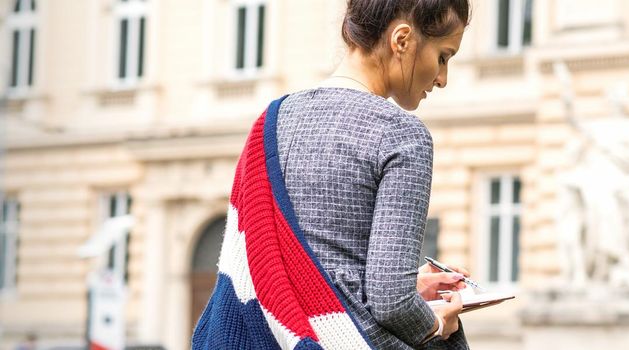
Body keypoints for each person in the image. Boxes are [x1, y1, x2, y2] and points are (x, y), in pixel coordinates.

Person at [194, 1, 473, 349]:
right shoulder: (402, 136)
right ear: (402, 40)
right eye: (443, 56)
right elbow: (392, 302)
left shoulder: (271, 122)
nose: (443, 78)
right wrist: (435, 324)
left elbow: (293, 271)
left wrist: (408, 287)